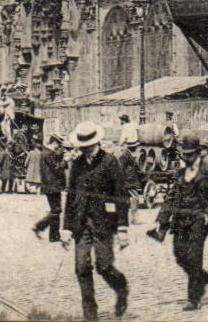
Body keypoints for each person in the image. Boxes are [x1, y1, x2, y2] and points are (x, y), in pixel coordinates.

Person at [61, 121, 130, 322]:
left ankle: (121, 287)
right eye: (83, 147)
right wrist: (65, 228)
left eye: (89, 146)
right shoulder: (77, 165)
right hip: (81, 224)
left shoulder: (110, 162)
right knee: (81, 267)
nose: (86, 150)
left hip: (104, 224)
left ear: (97, 143)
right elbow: (71, 198)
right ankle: (90, 315)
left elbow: (121, 196)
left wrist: (123, 227)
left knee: (104, 266)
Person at [154, 133, 208, 311]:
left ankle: (193, 299)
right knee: (180, 256)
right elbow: (171, 198)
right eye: (184, 154)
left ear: (198, 153)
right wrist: (162, 219)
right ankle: (202, 278)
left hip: (199, 220)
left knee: (194, 257)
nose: (187, 158)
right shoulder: (180, 173)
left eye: (191, 154)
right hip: (180, 221)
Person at [31, 135, 66, 243]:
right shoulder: (49, 154)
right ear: (54, 142)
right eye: (58, 145)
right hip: (53, 185)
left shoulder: (46, 153)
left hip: (50, 185)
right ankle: (39, 226)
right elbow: (57, 168)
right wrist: (66, 161)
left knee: (55, 210)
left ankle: (54, 236)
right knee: (56, 210)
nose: (58, 147)